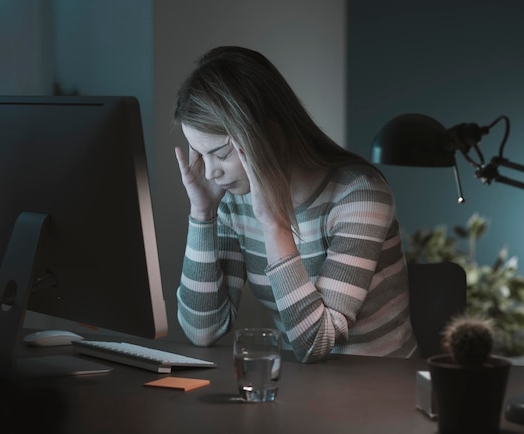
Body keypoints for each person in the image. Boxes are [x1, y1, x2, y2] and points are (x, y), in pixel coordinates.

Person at [173, 46, 418, 363]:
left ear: (269, 134)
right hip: (305, 389)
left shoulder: (359, 195)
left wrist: (274, 223)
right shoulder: (234, 200)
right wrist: (202, 214)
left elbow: (317, 342)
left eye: (220, 154)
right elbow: (202, 331)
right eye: (200, 154)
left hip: (378, 387)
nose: (210, 172)